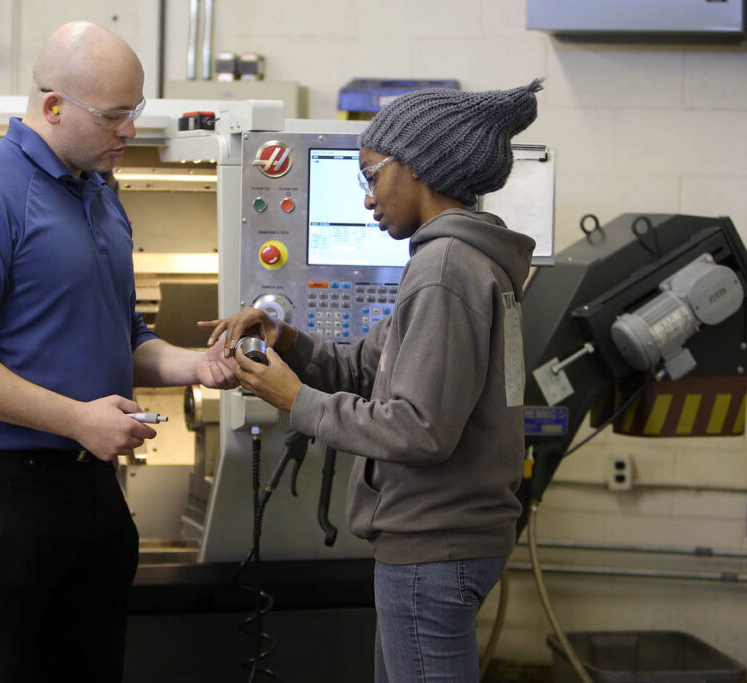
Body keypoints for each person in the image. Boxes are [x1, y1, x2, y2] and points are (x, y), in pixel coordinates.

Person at [0, 21, 237, 683]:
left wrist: (192, 364)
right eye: (114, 116)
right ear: (53, 106)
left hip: (87, 490)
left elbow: (124, 336)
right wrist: (78, 418)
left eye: (134, 113)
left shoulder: (99, 199)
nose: (129, 131)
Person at [203, 81, 543, 682]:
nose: (366, 199)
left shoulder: (445, 269)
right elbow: (366, 366)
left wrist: (294, 400)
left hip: (435, 545)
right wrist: (286, 339)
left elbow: (420, 430)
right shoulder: (459, 261)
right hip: (447, 541)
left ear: (417, 170)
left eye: (370, 176)